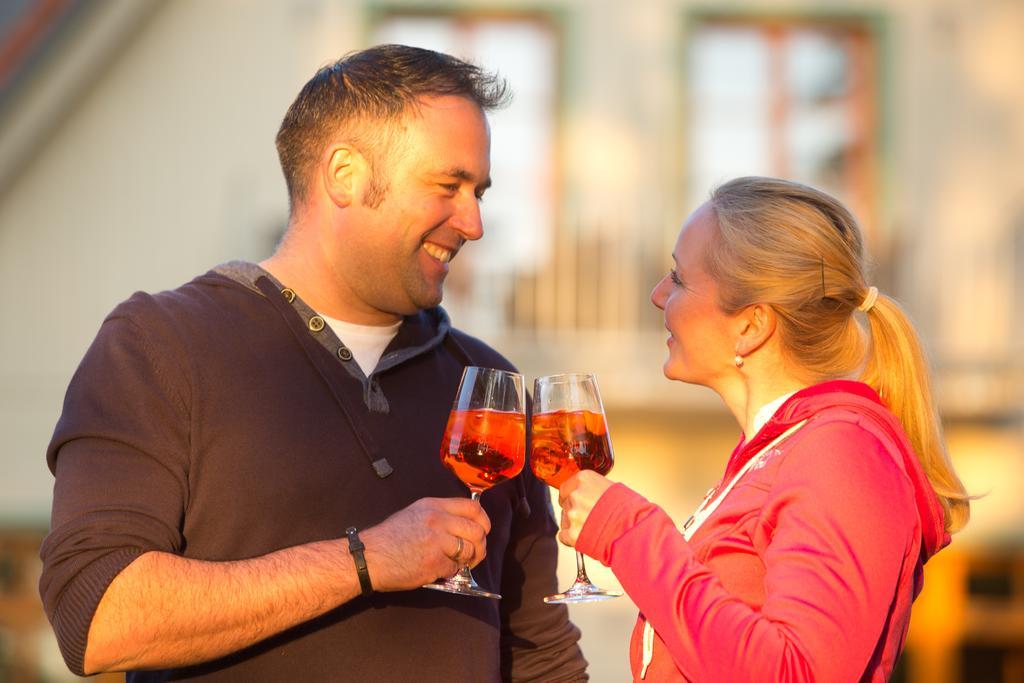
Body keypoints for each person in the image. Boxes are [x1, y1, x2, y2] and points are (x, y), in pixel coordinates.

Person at [39, 44, 588, 682]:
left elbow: (541, 658)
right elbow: (95, 615)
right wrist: (365, 560)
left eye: (479, 192)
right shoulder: (158, 345)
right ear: (344, 174)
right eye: (448, 186)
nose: (473, 222)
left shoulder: (490, 389)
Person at [556, 176, 970, 681]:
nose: (657, 295)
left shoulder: (841, 454)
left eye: (679, 278)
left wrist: (630, 532)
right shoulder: (783, 452)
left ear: (751, 325)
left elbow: (797, 673)